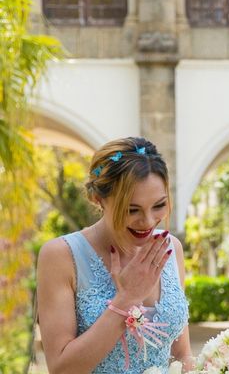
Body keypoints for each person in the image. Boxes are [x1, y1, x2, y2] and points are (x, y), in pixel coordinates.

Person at [36, 137, 191, 373]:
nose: (148, 221)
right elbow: (61, 369)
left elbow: (181, 354)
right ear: (98, 199)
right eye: (131, 209)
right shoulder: (60, 256)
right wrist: (126, 299)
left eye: (159, 205)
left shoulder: (170, 248)